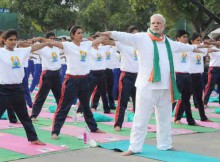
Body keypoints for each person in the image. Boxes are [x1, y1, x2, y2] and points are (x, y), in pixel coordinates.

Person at [97, 14, 206, 156]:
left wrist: (201, 47)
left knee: (165, 118)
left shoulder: (167, 42)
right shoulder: (142, 38)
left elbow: (184, 47)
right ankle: (134, 147)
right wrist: (109, 33)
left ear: (163, 26)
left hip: (166, 86)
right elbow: (125, 37)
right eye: (153, 23)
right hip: (146, 86)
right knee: (141, 118)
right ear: (150, 24)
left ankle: (165, 144)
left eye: (159, 23)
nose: (156, 25)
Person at [46, 25, 105, 140]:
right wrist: (44, 41)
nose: (81, 34)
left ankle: (93, 127)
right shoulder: (68, 45)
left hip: (85, 79)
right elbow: (55, 44)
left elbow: (100, 40)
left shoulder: (86, 44)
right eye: (78, 33)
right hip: (72, 79)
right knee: (64, 106)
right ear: (72, 35)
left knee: (86, 106)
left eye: (82, 32)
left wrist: (103, 33)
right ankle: (55, 131)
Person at [0, 29, 50, 144]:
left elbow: (34, 48)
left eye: (15, 39)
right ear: (4, 40)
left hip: (17, 89)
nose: (13, 42)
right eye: (10, 39)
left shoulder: (21, 52)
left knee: (24, 116)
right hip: (3, 90)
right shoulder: (1, 52)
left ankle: (33, 138)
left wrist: (47, 43)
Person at [30, 32, 62, 121]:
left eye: (54, 39)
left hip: (57, 74)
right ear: (47, 39)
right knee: (41, 96)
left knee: (59, 96)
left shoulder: (57, 48)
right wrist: (38, 39)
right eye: (51, 38)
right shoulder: (43, 48)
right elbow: (33, 47)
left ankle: (61, 114)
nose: (52, 40)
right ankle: (34, 115)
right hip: (47, 74)